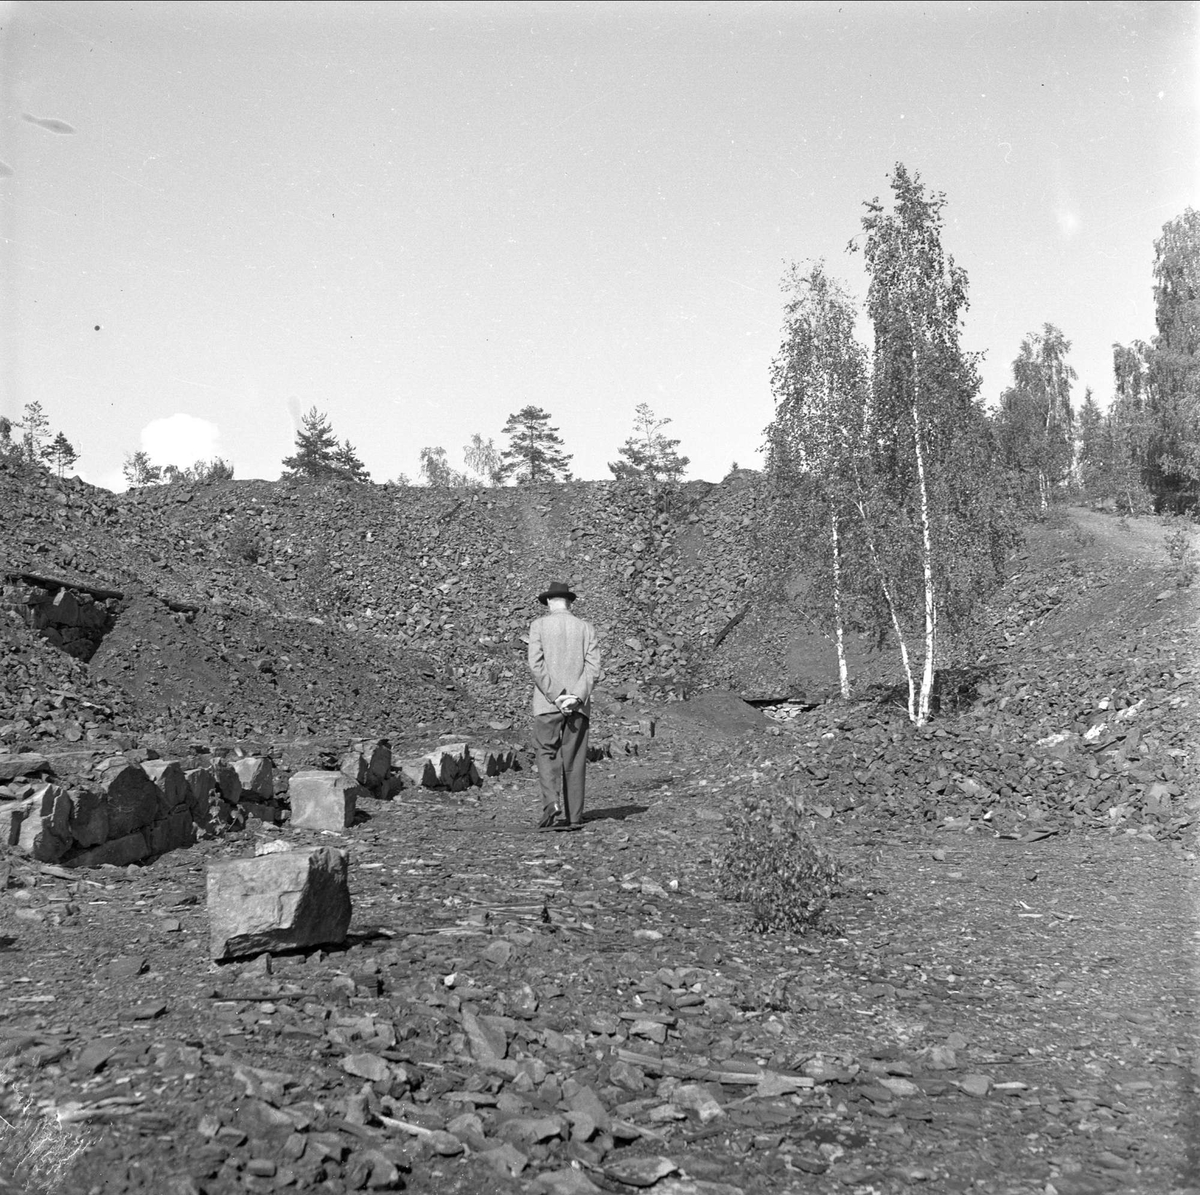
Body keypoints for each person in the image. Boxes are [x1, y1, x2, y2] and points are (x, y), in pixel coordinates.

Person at [527, 581, 601, 831]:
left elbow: (536, 666)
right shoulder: (585, 628)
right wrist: (576, 697)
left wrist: (557, 695)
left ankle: (551, 802)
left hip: (547, 704)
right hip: (578, 707)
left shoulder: (538, 626)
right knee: (575, 759)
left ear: (549, 602)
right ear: (570, 602)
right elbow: (593, 669)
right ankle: (574, 817)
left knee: (546, 752)